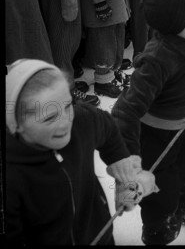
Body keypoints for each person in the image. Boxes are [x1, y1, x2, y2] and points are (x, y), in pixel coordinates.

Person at [111, 0, 185, 244]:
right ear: (181, 14)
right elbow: (125, 112)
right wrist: (131, 167)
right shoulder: (159, 58)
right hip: (157, 138)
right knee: (161, 193)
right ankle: (157, 230)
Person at [5, 58, 157, 245]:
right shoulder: (10, 178)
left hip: (100, 233)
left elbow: (106, 125)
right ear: (16, 124)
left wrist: (122, 166)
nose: (65, 122)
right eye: (49, 117)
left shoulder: (80, 121)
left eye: (68, 105)